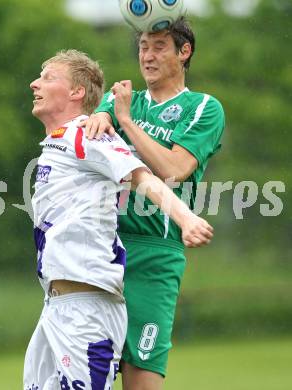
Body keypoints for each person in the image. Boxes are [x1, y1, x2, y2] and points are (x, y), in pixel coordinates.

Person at [24, 49, 213, 390]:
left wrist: (186, 219)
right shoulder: (56, 144)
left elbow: (144, 178)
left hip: (87, 309)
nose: (35, 83)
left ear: (76, 92)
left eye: (48, 77)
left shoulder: (87, 134)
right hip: (55, 306)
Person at [81, 16, 225, 390]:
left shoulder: (203, 107)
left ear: (184, 52)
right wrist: (100, 113)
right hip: (101, 249)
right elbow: (88, 138)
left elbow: (175, 170)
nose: (147, 55)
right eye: (143, 46)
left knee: (142, 376)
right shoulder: (119, 98)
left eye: (159, 46)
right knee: (82, 372)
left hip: (155, 256)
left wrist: (127, 122)